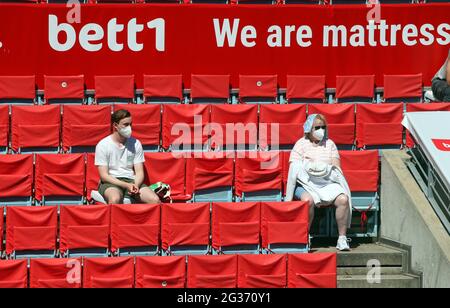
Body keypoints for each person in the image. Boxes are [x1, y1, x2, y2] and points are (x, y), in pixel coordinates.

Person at [285, 114, 352, 251]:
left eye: (323, 127)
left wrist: (321, 168)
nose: (321, 130)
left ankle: (342, 238)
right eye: (317, 127)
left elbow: (336, 167)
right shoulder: (300, 144)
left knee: (343, 199)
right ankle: (305, 236)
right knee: (307, 200)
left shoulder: (330, 144)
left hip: (326, 182)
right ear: (309, 129)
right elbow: (294, 168)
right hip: (305, 184)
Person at [95, 109, 160, 205]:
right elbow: (104, 176)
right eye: (125, 125)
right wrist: (126, 185)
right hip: (111, 182)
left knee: (155, 200)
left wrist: (135, 185)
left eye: (130, 124)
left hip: (132, 180)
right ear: (115, 126)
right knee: (114, 199)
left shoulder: (136, 143)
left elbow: (139, 172)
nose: (129, 127)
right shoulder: (103, 144)